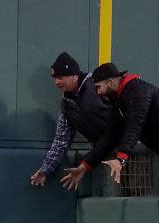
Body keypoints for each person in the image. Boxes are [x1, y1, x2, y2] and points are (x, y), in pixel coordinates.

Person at [61, 63, 159, 190]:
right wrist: (84, 166)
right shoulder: (119, 102)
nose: (97, 92)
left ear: (110, 82)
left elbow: (134, 127)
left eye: (98, 87)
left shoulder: (136, 90)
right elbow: (110, 137)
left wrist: (120, 159)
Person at [30, 52, 111, 186]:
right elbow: (61, 141)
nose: (56, 82)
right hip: (106, 153)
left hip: (130, 148)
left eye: (60, 77)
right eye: (54, 78)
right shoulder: (67, 106)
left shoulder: (97, 84)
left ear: (74, 75)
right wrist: (45, 170)